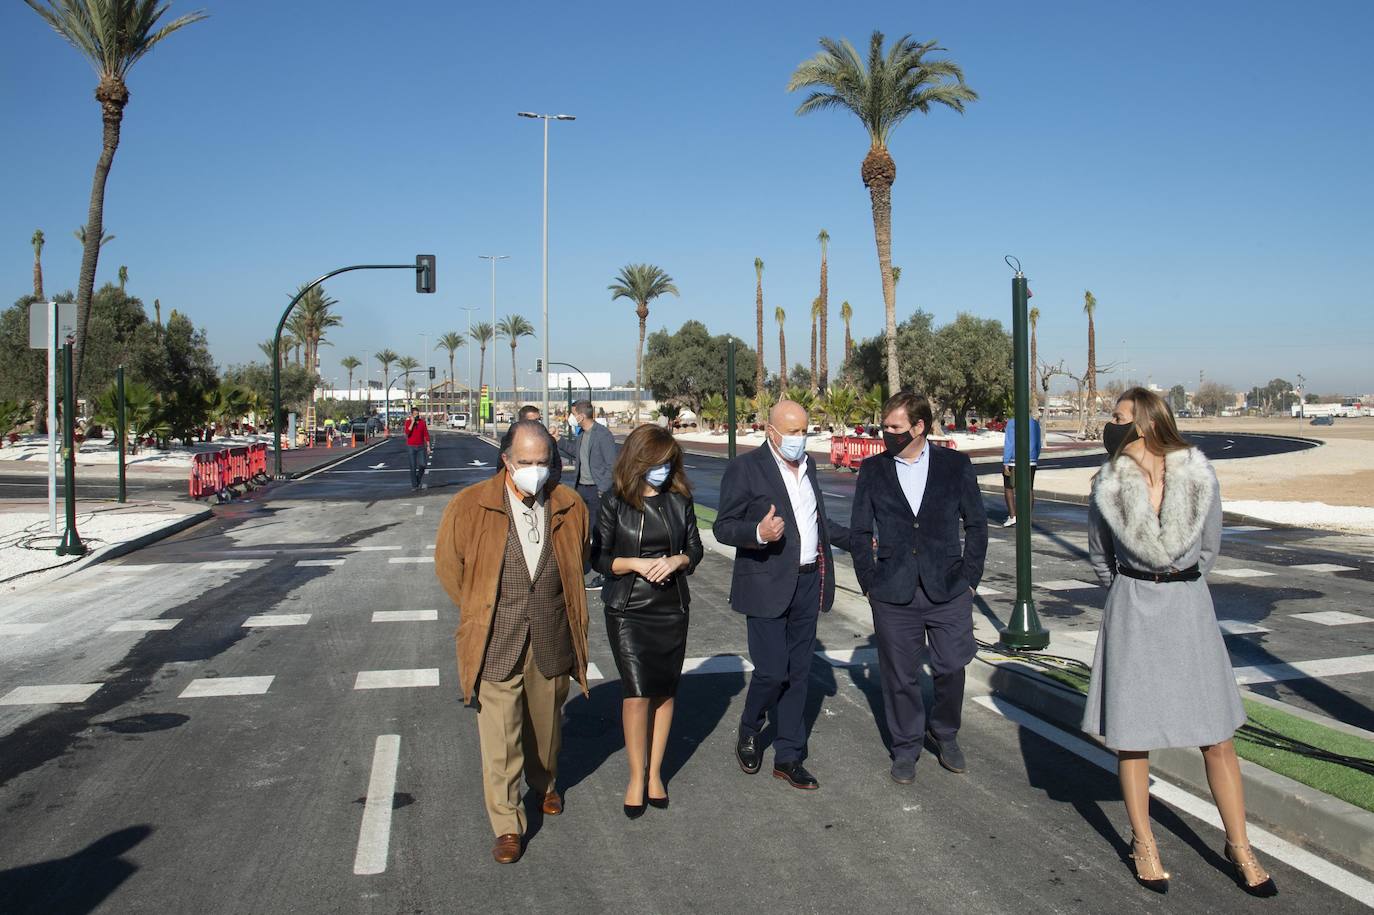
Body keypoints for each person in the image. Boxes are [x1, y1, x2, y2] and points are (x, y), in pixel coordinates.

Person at [1083, 387, 1276, 897]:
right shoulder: (1106, 483)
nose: (1110, 423)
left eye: (1118, 416)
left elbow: (1209, 546)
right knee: (1133, 734)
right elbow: (1101, 556)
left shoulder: (1197, 473)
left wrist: (1179, 583)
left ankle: (1240, 846)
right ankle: (1144, 843)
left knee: (1216, 735)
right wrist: (1134, 589)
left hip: (1189, 609)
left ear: (1144, 422)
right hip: (1132, 609)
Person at [433, 420, 592, 865]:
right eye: (526, 463)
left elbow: (578, 559)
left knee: (546, 732)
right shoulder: (470, 506)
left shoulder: (568, 505)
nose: (535, 471)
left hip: (550, 636)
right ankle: (507, 823)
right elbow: (450, 567)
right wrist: (481, 607)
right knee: (500, 741)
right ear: (506, 460)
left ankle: (545, 784)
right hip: (495, 640)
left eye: (543, 462)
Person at [849, 392, 987, 784]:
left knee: (951, 667)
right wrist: (869, 582)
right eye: (884, 426)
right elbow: (860, 531)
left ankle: (944, 732)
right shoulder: (873, 469)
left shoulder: (955, 465)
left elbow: (976, 525)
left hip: (948, 587)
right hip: (893, 591)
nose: (885, 433)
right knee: (900, 676)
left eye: (893, 427)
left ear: (919, 427)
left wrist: (969, 582)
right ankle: (906, 747)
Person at [712, 400, 849, 790]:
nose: (799, 438)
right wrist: (757, 533)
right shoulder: (745, 468)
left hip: (808, 583)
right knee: (773, 671)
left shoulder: (809, 468)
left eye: (804, 430)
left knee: (800, 674)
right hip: (766, 583)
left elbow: (818, 523)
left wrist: (860, 539)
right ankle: (750, 727)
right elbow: (724, 527)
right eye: (791, 431)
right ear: (771, 432)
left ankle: (789, 756)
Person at [593, 424, 704, 817]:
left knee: (665, 693)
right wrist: (636, 564)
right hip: (628, 610)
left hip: (671, 607)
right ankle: (635, 777)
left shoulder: (680, 500)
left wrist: (678, 560)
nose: (664, 468)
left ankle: (655, 773)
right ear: (639, 460)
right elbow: (600, 559)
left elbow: (695, 547)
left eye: (669, 461)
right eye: (657, 461)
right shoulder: (613, 502)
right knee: (637, 694)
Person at [557, 400, 617, 588]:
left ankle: (605, 573)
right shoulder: (582, 434)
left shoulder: (602, 435)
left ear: (581, 416)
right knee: (582, 529)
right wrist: (557, 440)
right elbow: (576, 453)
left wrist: (603, 489)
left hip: (596, 491)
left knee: (599, 532)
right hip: (581, 488)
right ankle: (589, 564)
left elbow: (612, 465)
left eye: (573, 413)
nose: (571, 417)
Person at [1001, 411, 1043, 526]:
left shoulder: (1012, 423)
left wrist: (1006, 461)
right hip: (1031, 460)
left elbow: (1009, 442)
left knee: (1009, 487)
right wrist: (1035, 456)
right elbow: (1039, 443)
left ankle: (1012, 515)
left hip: (1014, 461)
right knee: (1029, 488)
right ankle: (1026, 517)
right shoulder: (1035, 423)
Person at [403, 405, 432, 490]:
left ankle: (418, 480)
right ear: (412, 415)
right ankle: (414, 485)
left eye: (418, 414)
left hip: (420, 446)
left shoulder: (422, 422)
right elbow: (407, 433)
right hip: (411, 447)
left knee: (423, 465)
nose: (417, 415)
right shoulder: (408, 422)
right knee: (413, 467)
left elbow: (426, 434)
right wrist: (412, 422)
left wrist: (428, 446)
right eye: (415, 414)